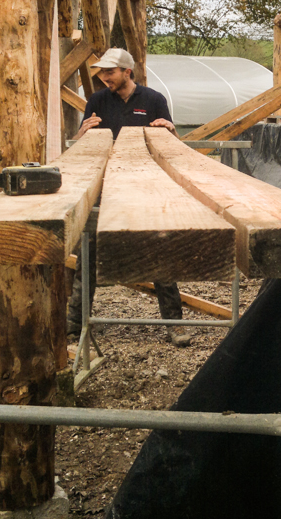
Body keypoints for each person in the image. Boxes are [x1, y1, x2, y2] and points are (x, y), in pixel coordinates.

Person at [67, 48, 191, 346]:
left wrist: (171, 130)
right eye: (101, 72)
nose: (103, 77)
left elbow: (170, 146)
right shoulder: (97, 101)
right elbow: (85, 146)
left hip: (146, 185)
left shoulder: (153, 100)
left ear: (127, 72)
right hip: (105, 186)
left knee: (160, 251)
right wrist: (81, 135)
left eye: (109, 72)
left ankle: (174, 324)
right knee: (89, 254)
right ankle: (74, 327)